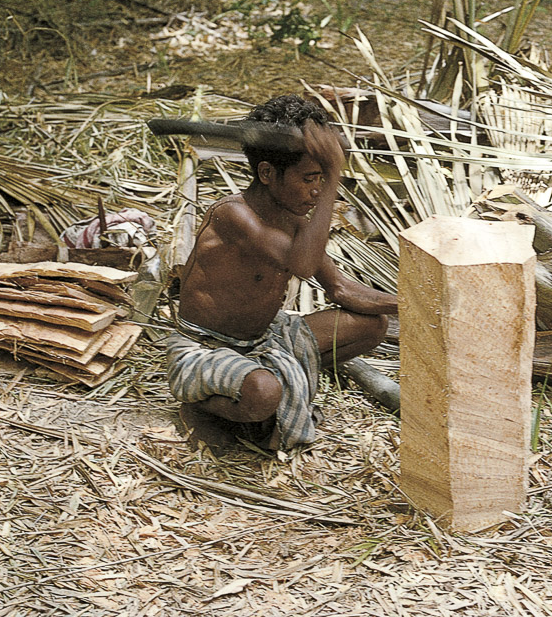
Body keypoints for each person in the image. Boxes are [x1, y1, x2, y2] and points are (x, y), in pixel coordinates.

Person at [167, 94, 398, 451]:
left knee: (373, 325)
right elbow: (302, 266)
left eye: (321, 178)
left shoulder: (295, 222)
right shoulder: (233, 216)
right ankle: (204, 406)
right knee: (263, 392)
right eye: (309, 179)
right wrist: (334, 174)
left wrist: (413, 304)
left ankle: (271, 386)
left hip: (264, 337)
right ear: (266, 174)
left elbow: (340, 289)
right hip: (205, 347)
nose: (317, 190)